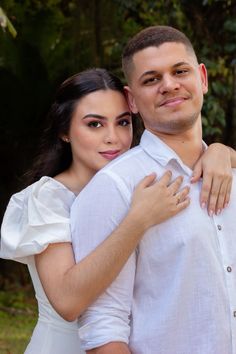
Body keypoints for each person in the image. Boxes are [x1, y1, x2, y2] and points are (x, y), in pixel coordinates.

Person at [0, 69, 234, 354]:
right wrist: (137, 221)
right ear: (64, 131)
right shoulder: (48, 198)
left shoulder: (139, 184)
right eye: (95, 125)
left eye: (123, 122)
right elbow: (67, 301)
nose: (113, 138)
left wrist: (221, 151)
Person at [71, 27, 236, 354]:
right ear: (132, 99)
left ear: (202, 78)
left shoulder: (230, 169)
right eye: (151, 79)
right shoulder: (116, 186)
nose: (169, 85)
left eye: (180, 71)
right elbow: (103, 323)